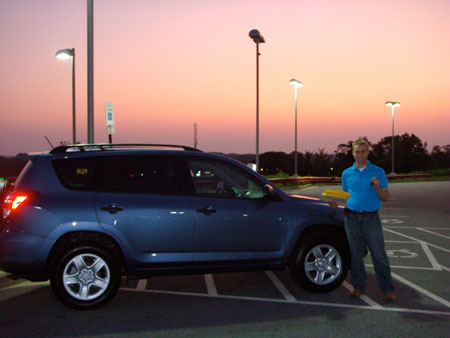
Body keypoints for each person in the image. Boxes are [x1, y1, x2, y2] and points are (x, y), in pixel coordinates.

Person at [341, 137, 396, 301]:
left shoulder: (378, 172)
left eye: (363, 151)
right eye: (357, 152)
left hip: (371, 219)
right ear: (352, 153)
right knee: (355, 255)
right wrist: (334, 202)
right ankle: (359, 287)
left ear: (368, 152)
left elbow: (385, 197)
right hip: (351, 217)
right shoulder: (346, 173)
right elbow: (346, 195)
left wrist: (378, 187)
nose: (360, 155)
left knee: (379, 255)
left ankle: (388, 290)